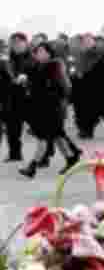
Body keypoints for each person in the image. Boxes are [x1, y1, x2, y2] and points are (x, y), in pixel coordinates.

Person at [17, 42, 81, 178]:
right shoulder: (39, 66)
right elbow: (35, 82)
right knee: (58, 137)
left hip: (53, 109)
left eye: (41, 51)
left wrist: (47, 95)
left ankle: (32, 167)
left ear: (48, 53)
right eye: (37, 51)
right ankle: (71, 158)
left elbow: (63, 88)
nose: (38, 54)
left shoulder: (55, 66)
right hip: (44, 109)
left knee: (43, 138)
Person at [70, 33, 104, 139]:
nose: (86, 43)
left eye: (89, 41)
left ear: (93, 42)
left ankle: (89, 130)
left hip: (96, 87)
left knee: (97, 111)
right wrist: (75, 76)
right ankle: (84, 130)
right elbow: (74, 69)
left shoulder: (100, 54)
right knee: (82, 111)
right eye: (85, 41)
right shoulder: (79, 55)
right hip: (81, 87)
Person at [5, 33, 33, 162]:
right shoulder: (6, 58)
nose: (16, 45)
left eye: (19, 42)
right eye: (13, 42)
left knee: (41, 128)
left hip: (30, 98)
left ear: (25, 43)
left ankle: (46, 153)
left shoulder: (33, 57)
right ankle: (14, 154)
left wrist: (27, 79)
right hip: (11, 98)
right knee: (12, 128)